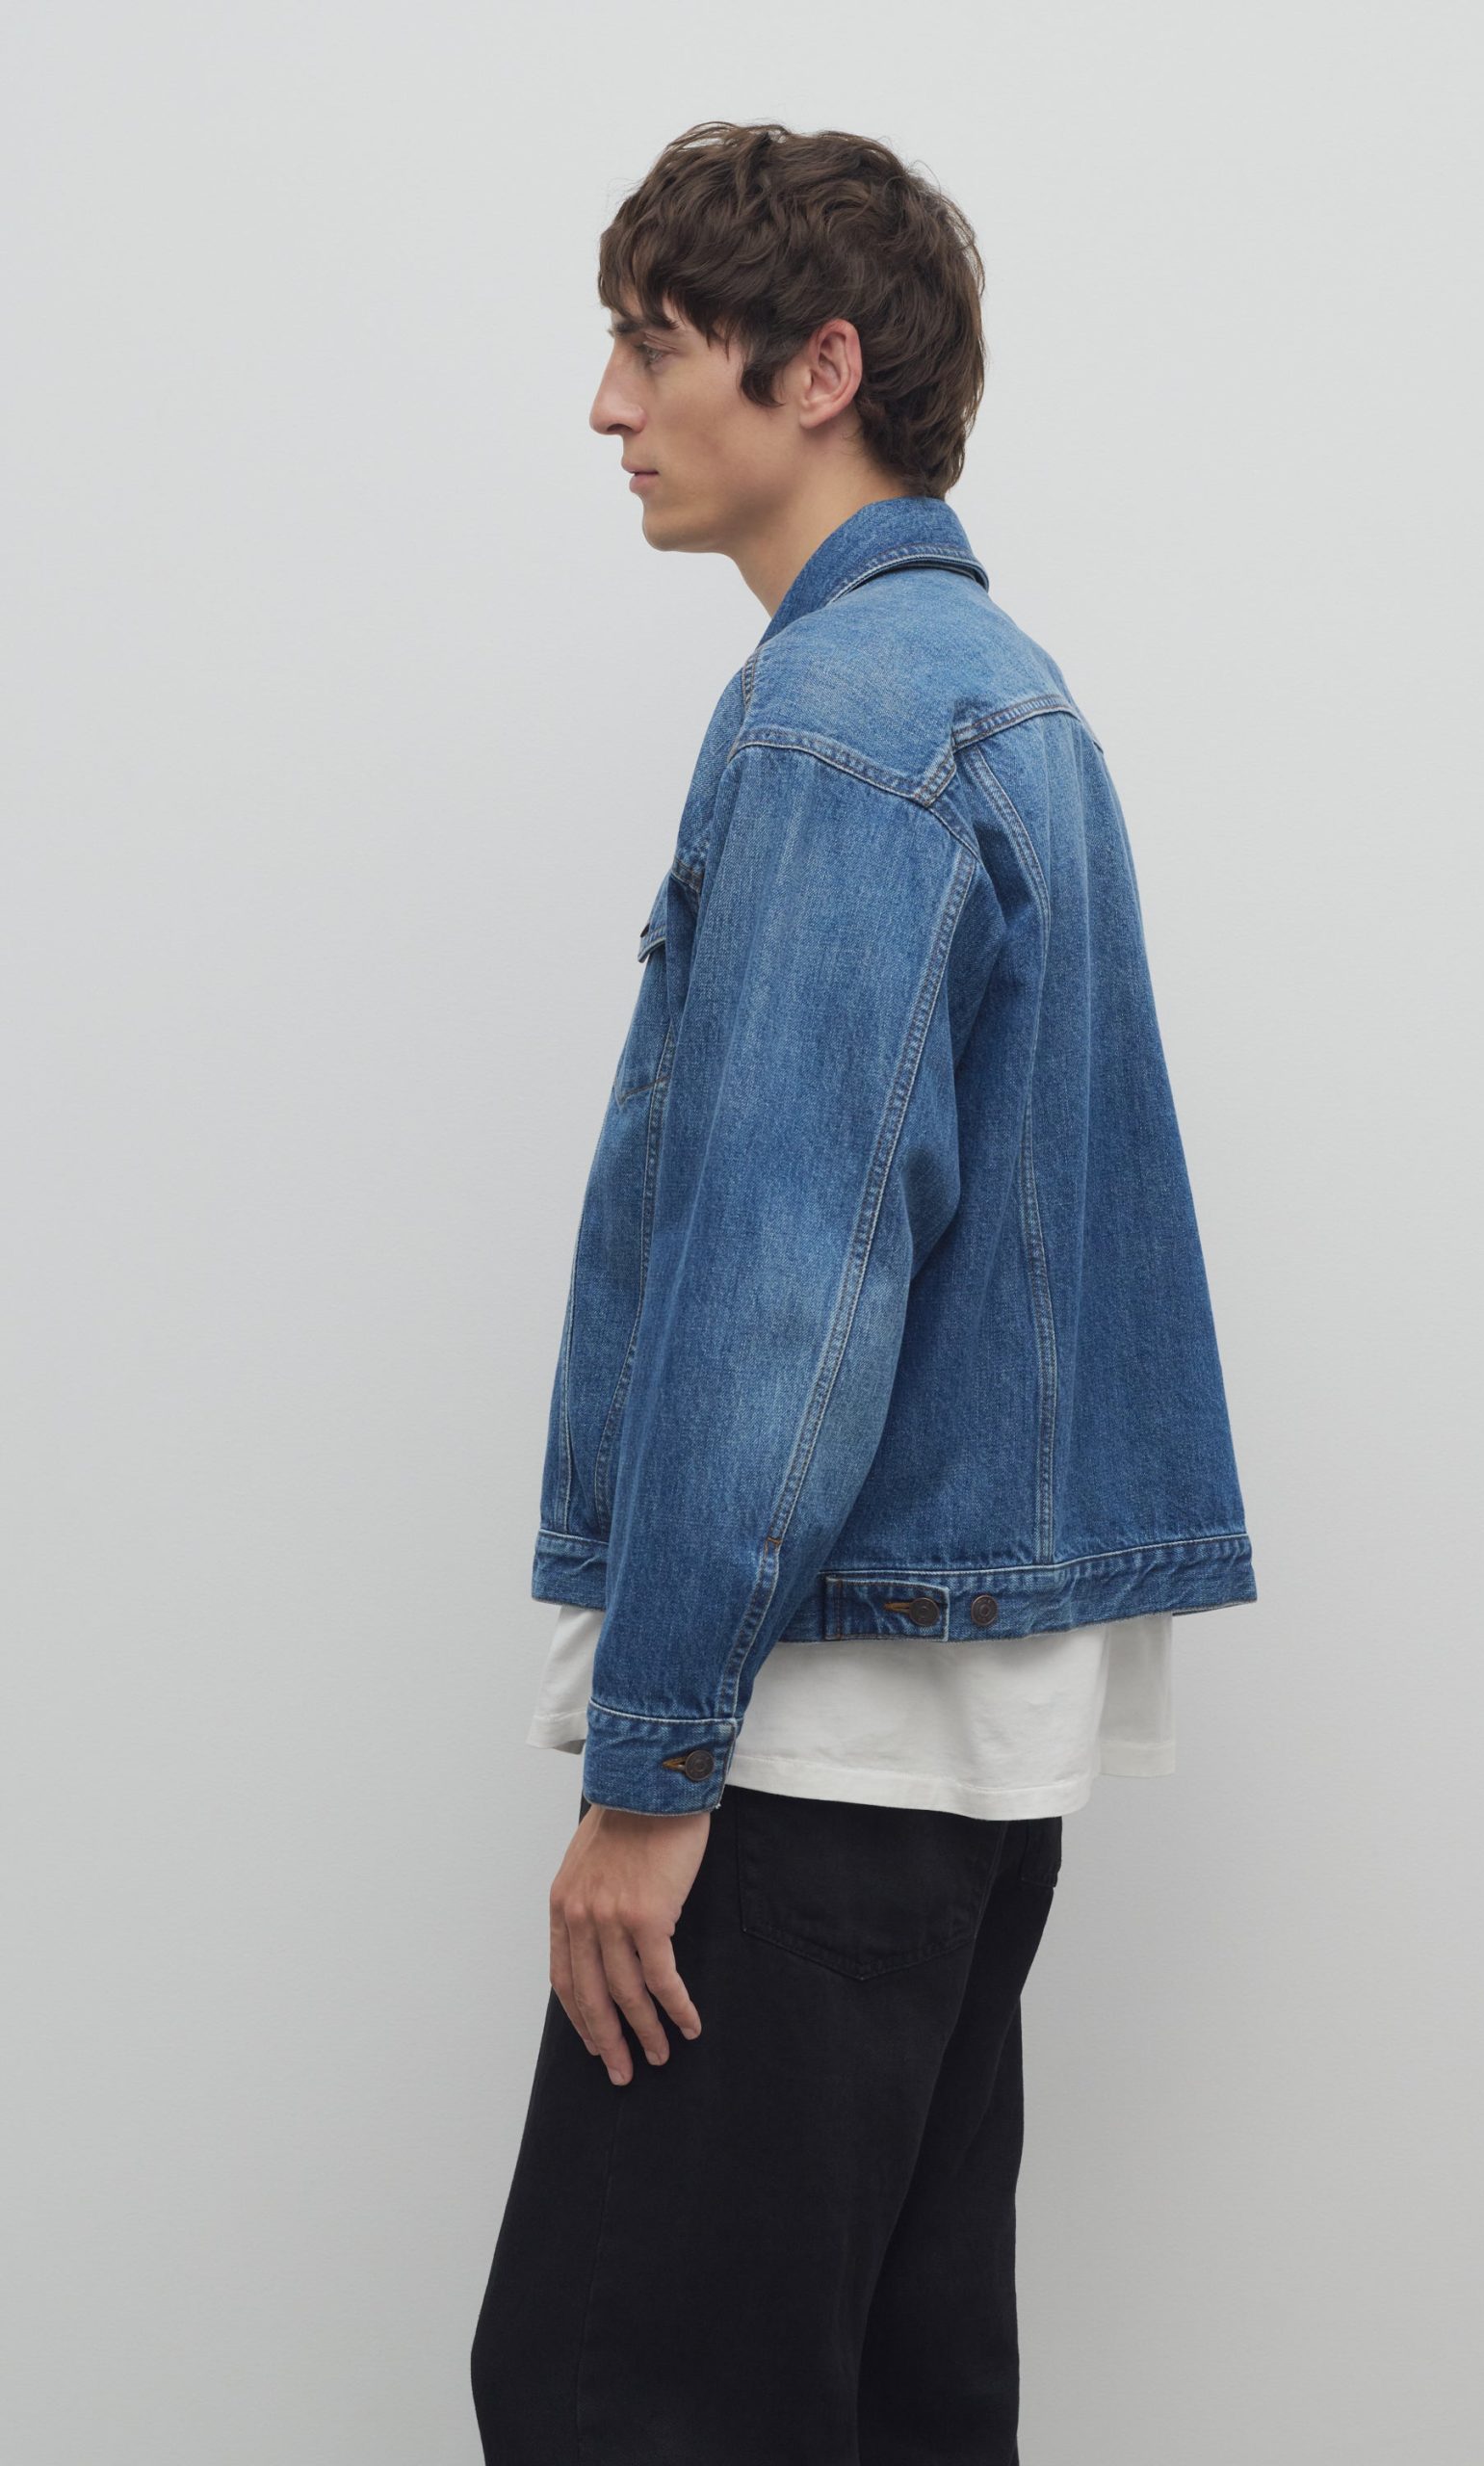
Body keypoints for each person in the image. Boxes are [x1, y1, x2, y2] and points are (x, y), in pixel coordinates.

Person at [471, 118, 1256, 2465]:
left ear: (816, 368)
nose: (606, 405)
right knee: (897, 2406)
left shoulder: (840, 721)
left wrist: (650, 1765)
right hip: (960, 1755)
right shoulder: (1008, 695)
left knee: (625, 2401)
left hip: (806, 1747)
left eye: (649, 343)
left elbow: (788, 1282)